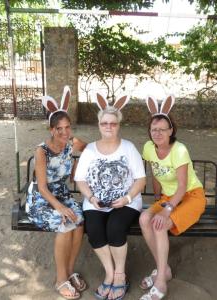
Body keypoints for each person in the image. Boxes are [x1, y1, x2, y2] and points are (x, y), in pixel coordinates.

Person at [74, 93, 146, 300]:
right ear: (99, 125)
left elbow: (140, 181)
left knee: (114, 228)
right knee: (95, 230)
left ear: (118, 126)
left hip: (127, 201)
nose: (108, 126)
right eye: (104, 123)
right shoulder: (89, 150)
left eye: (113, 123)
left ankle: (120, 276)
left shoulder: (129, 148)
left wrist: (127, 199)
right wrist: (90, 197)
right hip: (96, 202)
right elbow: (80, 180)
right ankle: (109, 273)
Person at [139, 96, 206, 300]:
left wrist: (166, 209)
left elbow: (183, 186)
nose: (157, 133)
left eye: (162, 129)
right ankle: (164, 269)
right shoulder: (149, 148)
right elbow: (154, 171)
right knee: (144, 219)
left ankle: (161, 281)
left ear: (171, 131)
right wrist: (158, 196)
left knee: (160, 224)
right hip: (169, 196)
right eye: (153, 129)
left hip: (191, 196)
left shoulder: (179, 150)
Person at [26, 86, 87, 300]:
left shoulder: (71, 144)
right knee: (65, 224)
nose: (64, 133)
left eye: (67, 127)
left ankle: (69, 272)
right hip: (42, 200)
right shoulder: (41, 151)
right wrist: (60, 208)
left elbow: (90, 149)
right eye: (59, 129)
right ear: (51, 130)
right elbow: (42, 187)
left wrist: (79, 162)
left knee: (79, 221)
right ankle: (60, 279)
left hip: (62, 195)